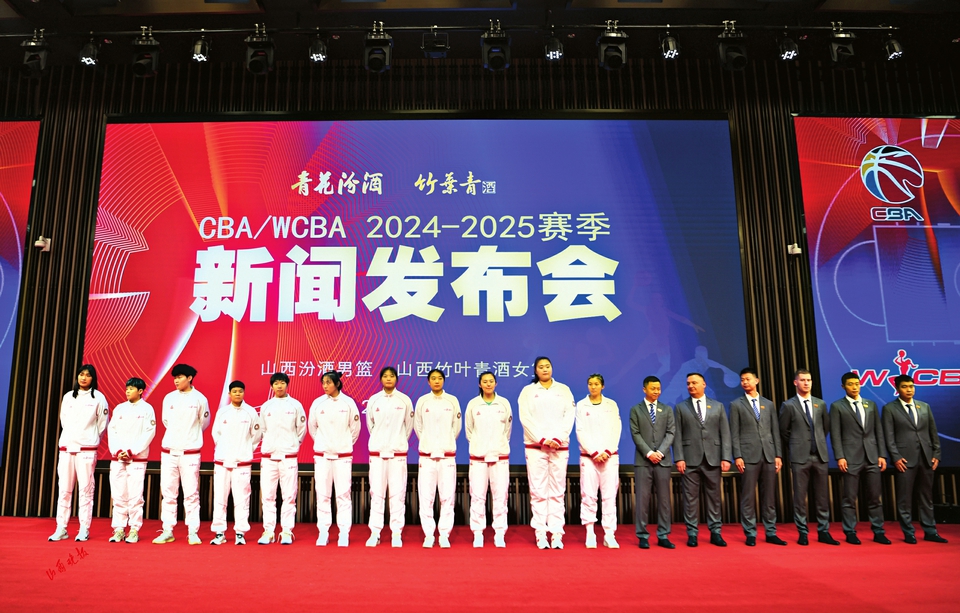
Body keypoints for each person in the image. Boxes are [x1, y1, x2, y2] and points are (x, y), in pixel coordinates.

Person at [518, 356, 576, 550]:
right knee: (538, 491)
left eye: (548, 366)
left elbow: (569, 416)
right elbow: (525, 418)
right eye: (541, 367)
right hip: (536, 448)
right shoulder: (528, 391)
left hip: (559, 447)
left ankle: (557, 533)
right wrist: (541, 439)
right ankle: (541, 533)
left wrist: (558, 438)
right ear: (535, 370)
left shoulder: (563, 390)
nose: (545, 369)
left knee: (558, 492)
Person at [882, 374, 947, 544]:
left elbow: (933, 432)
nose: (909, 390)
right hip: (904, 460)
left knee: (927, 498)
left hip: (926, 458)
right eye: (904, 387)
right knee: (905, 499)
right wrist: (896, 457)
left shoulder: (924, 406)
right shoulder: (889, 408)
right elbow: (889, 436)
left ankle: (930, 531)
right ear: (897, 389)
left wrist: (936, 454)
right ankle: (908, 532)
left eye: (911, 386)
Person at [49, 364, 110, 542]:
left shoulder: (99, 397)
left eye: (87, 375)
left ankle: (84, 528)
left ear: (93, 378)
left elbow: (102, 425)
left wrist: (90, 440)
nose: (83, 378)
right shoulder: (68, 396)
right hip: (67, 449)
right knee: (64, 490)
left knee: (86, 490)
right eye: (81, 374)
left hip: (86, 451)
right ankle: (61, 527)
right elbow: (63, 421)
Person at [829, 372, 890, 545]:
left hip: (872, 456)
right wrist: (840, 456)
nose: (855, 387)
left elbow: (878, 431)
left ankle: (878, 532)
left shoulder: (870, 404)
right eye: (850, 384)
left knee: (875, 498)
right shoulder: (837, 406)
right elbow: (835, 434)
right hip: (850, 457)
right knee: (849, 498)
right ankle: (850, 532)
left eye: (857, 383)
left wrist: (882, 455)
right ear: (843, 387)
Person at [779, 369, 838, 546]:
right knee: (800, 497)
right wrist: (797, 443)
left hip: (819, 455)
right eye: (803, 380)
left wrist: (816, 442)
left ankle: (823, 531)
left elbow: (825, 428)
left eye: (809, 380)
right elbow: (784, 431)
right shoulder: (788, 405)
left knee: (822, 497)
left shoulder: (820, 404)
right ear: (795, 382)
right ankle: (802, 532)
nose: (806, 383)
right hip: (799, 456)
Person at [153, 363, 210, 545]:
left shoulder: (200, 399)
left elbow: (203, 423)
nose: (176, 381)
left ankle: (193, 531)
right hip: (169, 452)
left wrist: (190, 438)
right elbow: (166, 421)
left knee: (191, 493)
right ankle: (167, 530)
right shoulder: (169, 398)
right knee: (168, 493)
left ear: (189, 378)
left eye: (180, 377)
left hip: (190, 453)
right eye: (175, 378)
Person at [673, 372, 731, 547]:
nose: (691, 386)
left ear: (704, 384)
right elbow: (677, 435)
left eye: (694, 383)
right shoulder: (681, 407)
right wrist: (679, 458)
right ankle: (692, 533)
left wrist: (726, 457)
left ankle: (716, 532)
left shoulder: (718, 406)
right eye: (688, 383)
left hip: (713, 458)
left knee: (714, 498)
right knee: (690, 499)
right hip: (690, 459)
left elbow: (725, 433)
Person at [729, 367, 785, 546]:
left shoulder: (768, 404)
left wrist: (778, 454)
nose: (745, 382)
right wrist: (737, 456)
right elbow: (734, 433)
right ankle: (750, 533)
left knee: (769, 497)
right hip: (747, 456)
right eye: (742, 380)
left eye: (748, 379)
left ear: (757, 381)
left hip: (768, 455)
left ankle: (771, 532)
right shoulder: (736, 404)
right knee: (748, 497)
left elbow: (775, 431)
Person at [309, 371, 361, 547]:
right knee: (322, 494)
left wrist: (343, 444)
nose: (325, 386)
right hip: (322, 456)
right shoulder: (317, 403)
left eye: (328, 382)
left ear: (337, 384)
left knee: (343, 495)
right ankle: (323, 531)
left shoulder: (348, 403)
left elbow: (355, 429)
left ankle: (344, 532)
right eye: (323, 382)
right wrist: (324, 444)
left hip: (342, 456)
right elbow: (312, 428)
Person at [365, 366, 415, 548]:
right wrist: (380, 441)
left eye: (391, 376)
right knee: (376, 494)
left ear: (396, 379)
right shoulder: (373, 400)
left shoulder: (404, 400)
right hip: (378, 454)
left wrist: (398, 442)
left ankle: (396, 533)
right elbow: (371, 425)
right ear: (381, 379)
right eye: (385, 376)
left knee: (397, 494)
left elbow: (409, 427)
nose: (388, 379)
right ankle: (375, 532)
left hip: (397, 455)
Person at [414, 368, 462, 548]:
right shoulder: (422, 401)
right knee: (426, 497)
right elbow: (418, 427)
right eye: (433, 378)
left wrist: (445, 443)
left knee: (447, 497)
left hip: (447, 457)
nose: (436, 381)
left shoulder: (452, 401)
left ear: (444, 380)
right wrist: (428, 443)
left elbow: (456, 428)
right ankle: (428, 534)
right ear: (428, 382)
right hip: (427, 457)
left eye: (440, 378)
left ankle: (444, 534)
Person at [465, 371, 513, 548]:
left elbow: (507, 431)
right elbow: (469, 431)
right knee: (477, 496)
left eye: (491, 381)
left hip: (499, 457)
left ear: (496, 383)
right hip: (478, 458)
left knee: (500, 496)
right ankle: (478, 533)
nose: (488, 384)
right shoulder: (473, 404)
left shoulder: (504, 403)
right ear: (480, 384)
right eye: (484, 381)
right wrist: (480, 446)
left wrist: (497, 446)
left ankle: (499, 533)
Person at [210, 381, 261, 545]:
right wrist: (224, 450)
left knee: (242, 499)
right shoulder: (222, 412)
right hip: (222, 462)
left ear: (244, 393)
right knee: (220, 498)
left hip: (242, 464)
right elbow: (216, 434)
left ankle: (240, 532)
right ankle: (219, 532)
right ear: (229, 394)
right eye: (234, 391)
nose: (237, 394)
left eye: (240, 391)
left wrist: (245, 451)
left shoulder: (250, 412)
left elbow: (256, 436)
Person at [258, 372, 306, 545]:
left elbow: (302, 429)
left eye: (282, 383)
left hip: (288, 457)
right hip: (269, 458)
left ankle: (286, 531)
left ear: (287, 384)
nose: (279, 386)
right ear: (271, 386)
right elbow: (262, 430)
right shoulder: (266, 406)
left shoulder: (295, 405)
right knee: (268, 496)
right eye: (276, 383)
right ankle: (268, 531)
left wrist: (293, 445)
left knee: (289, 496)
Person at [106, 377, 155, 544]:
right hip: (118, 459)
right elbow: (112, 431)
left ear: (140, 391)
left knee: (135, 496)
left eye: (131, 388)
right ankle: (119, 529)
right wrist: (117, 451)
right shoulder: (120, 408)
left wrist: (131, 451)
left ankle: (134, 529)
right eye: (127, 388)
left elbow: (149, 433)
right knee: (118, 495)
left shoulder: (147, 409)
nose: (127, 391)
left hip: (137, 460)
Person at [629, 375, 676, 549]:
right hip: (643, 461)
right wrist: (649, 453)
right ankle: (642, 535)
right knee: (642, 500)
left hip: (663, 461)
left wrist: (660, 452)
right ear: (644, 389)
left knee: (664, 500)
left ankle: (663, 535)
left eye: (658, 389)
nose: (656, 391)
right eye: (653, 388)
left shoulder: (667, 409)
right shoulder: (636, 410)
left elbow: (671, 432)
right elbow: (635, 434)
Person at [575, 373, 621, 549]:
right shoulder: (581, 405)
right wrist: (593, 452)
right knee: (588, 495)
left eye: (596, 384)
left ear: (603, 386)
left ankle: (609, 534)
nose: (593, 387)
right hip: (589, 458)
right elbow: (580, 431)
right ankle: (590, 532)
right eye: (590, 384)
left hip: (609, 457)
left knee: (609, 496)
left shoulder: (611, 405)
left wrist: (607, 451)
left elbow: (616, 429)